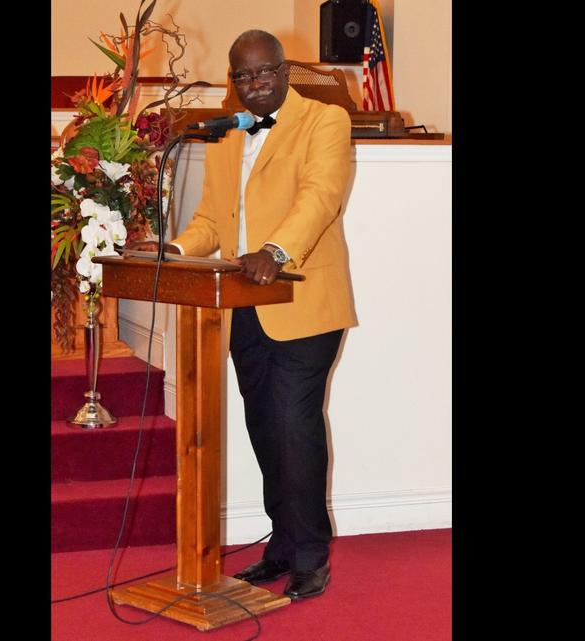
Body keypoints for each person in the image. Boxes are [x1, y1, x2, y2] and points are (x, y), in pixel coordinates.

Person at [132, 29, 356, 600]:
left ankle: (311, 554)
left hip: (304, 302)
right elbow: (212, 219)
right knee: (264, 428)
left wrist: (276, 252)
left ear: (285, 72)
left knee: (292, 424)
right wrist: (176, 251)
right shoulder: (227, 136)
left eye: (263, 73)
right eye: (242, 76)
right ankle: (281, 546)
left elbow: (320, 195)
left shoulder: (324, 120)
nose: (253, 85)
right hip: (241, 308)